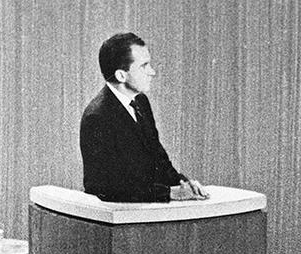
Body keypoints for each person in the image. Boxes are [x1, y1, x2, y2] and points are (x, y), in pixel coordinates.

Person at [80, 32, 208, 202]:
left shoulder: (140, 101)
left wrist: (183, 183)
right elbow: (104, 186)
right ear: (121, 75)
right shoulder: (96, 117)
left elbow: (158, 158)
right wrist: (169, 193)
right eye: (144, 66)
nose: (152, 72)